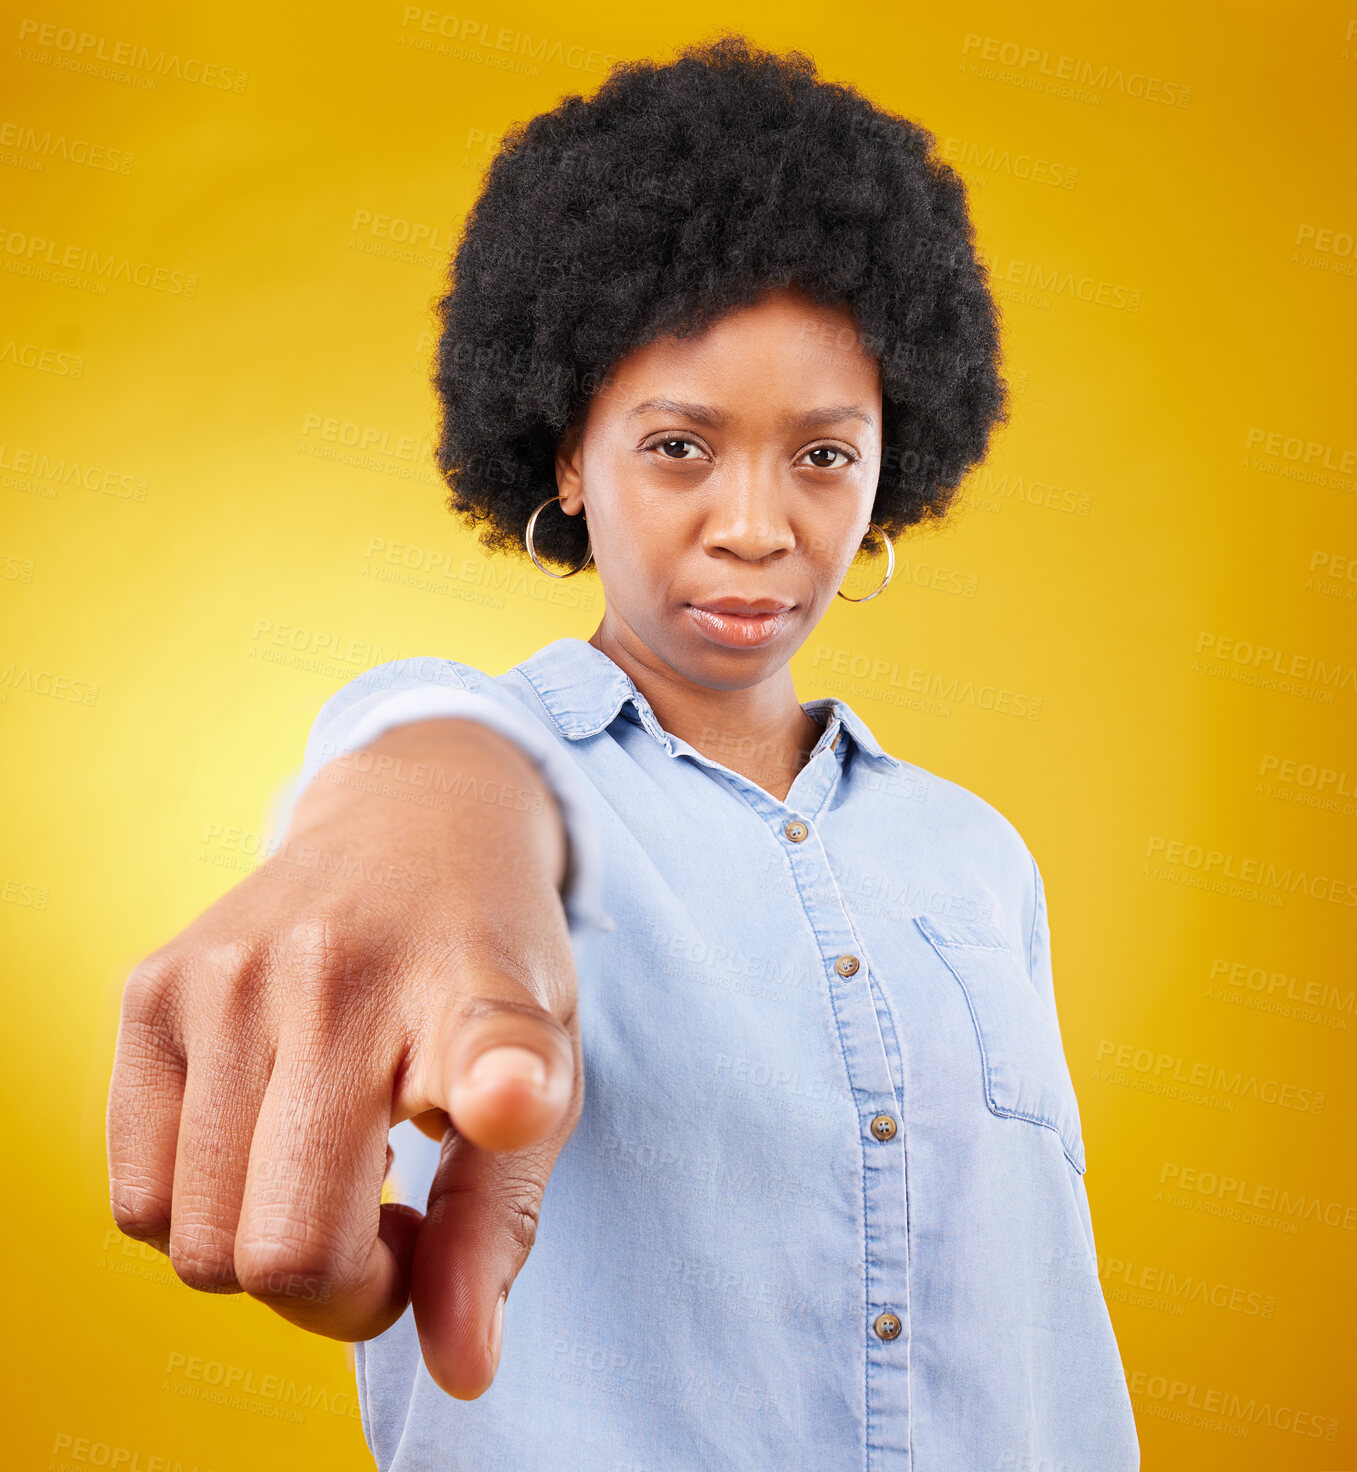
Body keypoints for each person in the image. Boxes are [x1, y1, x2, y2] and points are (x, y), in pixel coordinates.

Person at [106, 33, 1140, 1471]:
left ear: (892, 467)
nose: (755, 526)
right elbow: (422, 762)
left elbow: (1053, 1330)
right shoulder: (496, 768)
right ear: (563, 458)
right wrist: (415, 801)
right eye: (678, 447)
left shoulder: (972, 857)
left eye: (823, 455)